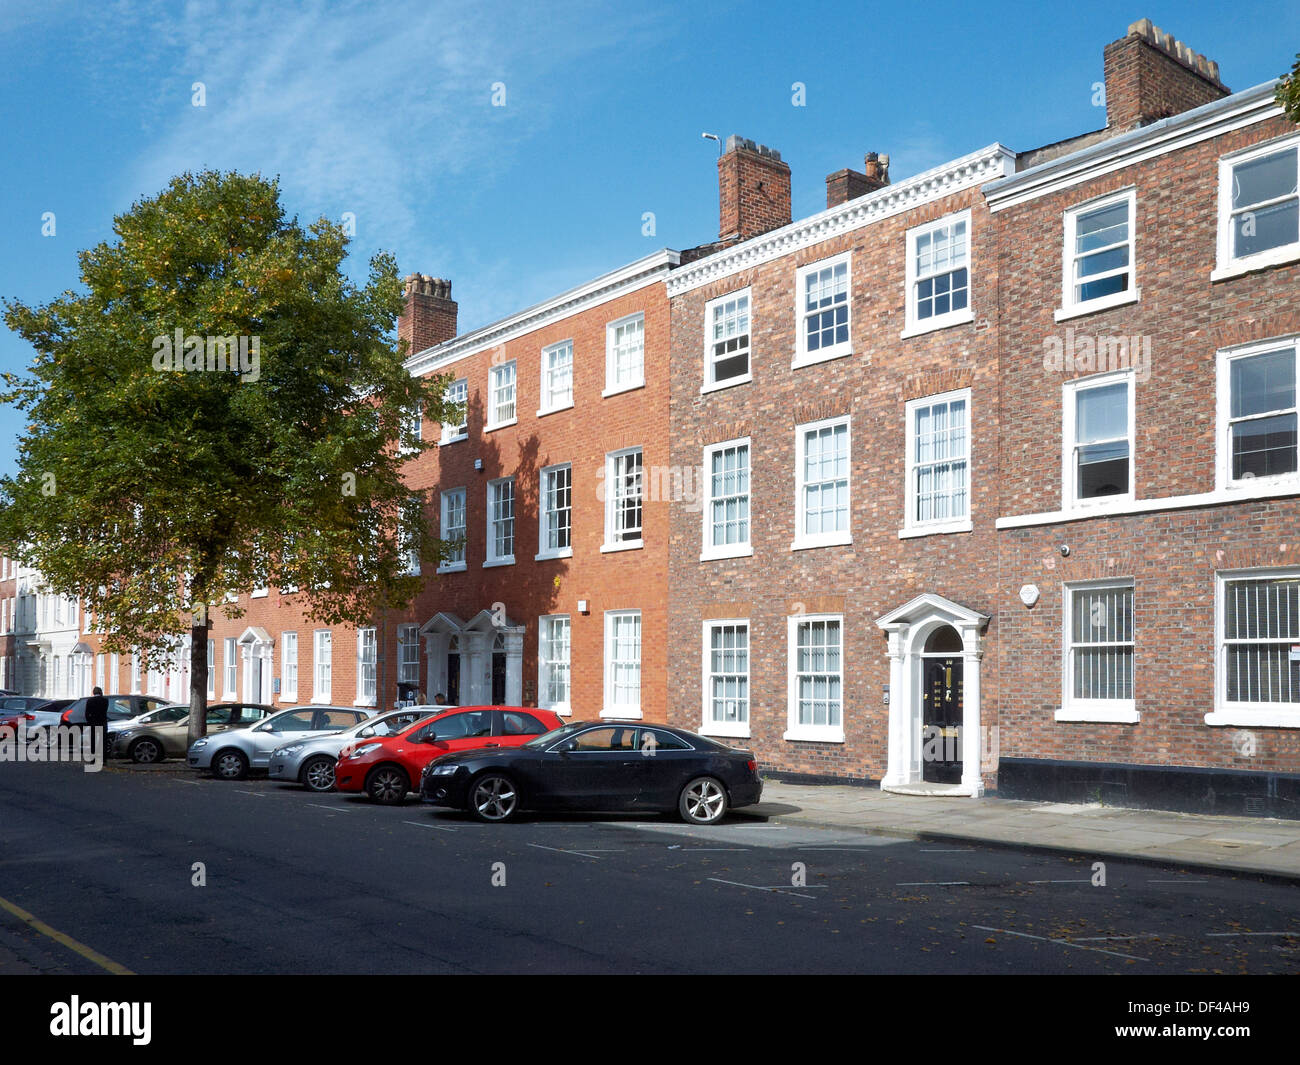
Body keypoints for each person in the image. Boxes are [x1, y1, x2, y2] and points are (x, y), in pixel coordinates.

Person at [85, 686, 109, 760]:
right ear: (100, 692)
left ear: (93, 692)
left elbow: (87, 713)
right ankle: (103, 759)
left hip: (93, 722)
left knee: (93, 741)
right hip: (102, 722)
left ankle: (93, 758)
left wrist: (89, 721)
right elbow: (105, 711)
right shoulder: (105, 700)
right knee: (103, 741)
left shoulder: (89, 701)